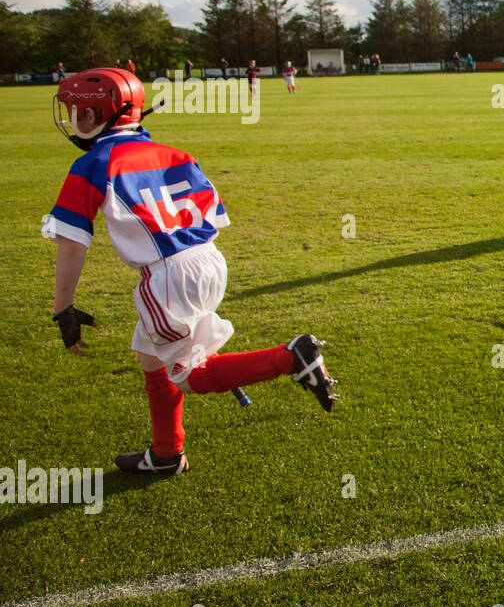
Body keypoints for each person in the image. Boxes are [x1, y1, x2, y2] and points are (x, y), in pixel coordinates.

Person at [42, 68, 336, 475]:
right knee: (149, 353)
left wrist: (64, 307)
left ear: (91, 116)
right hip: (210, 260)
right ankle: (166, 453)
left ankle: (290, 359)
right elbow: (213, 216)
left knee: (185, 375)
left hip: (167, 277)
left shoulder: (92, 164)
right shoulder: (177, 154)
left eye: (75, 109)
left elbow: (73, 241)